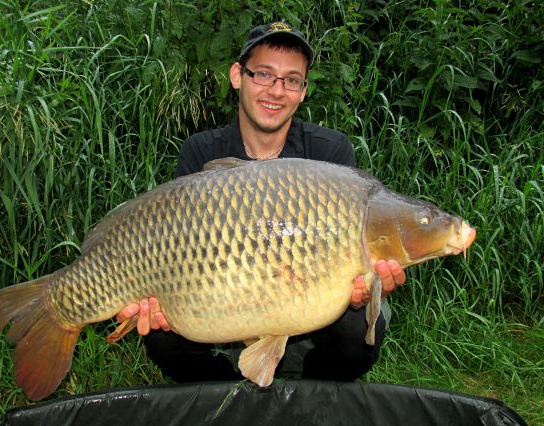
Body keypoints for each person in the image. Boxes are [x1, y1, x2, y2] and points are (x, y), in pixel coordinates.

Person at [116, 21, 406, 382]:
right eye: (264, 74)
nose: (276, 90)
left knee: (363, 327)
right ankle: (222, 395)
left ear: (303, 91)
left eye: (291, 80)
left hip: (307, 325)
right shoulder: (201, 152)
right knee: (160, 333)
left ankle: (308, 395)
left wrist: (362, 290)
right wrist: (157, 299)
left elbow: (348, 264)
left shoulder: (330, 154)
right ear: (238, 76)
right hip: (221, 319)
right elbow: (179, 251)